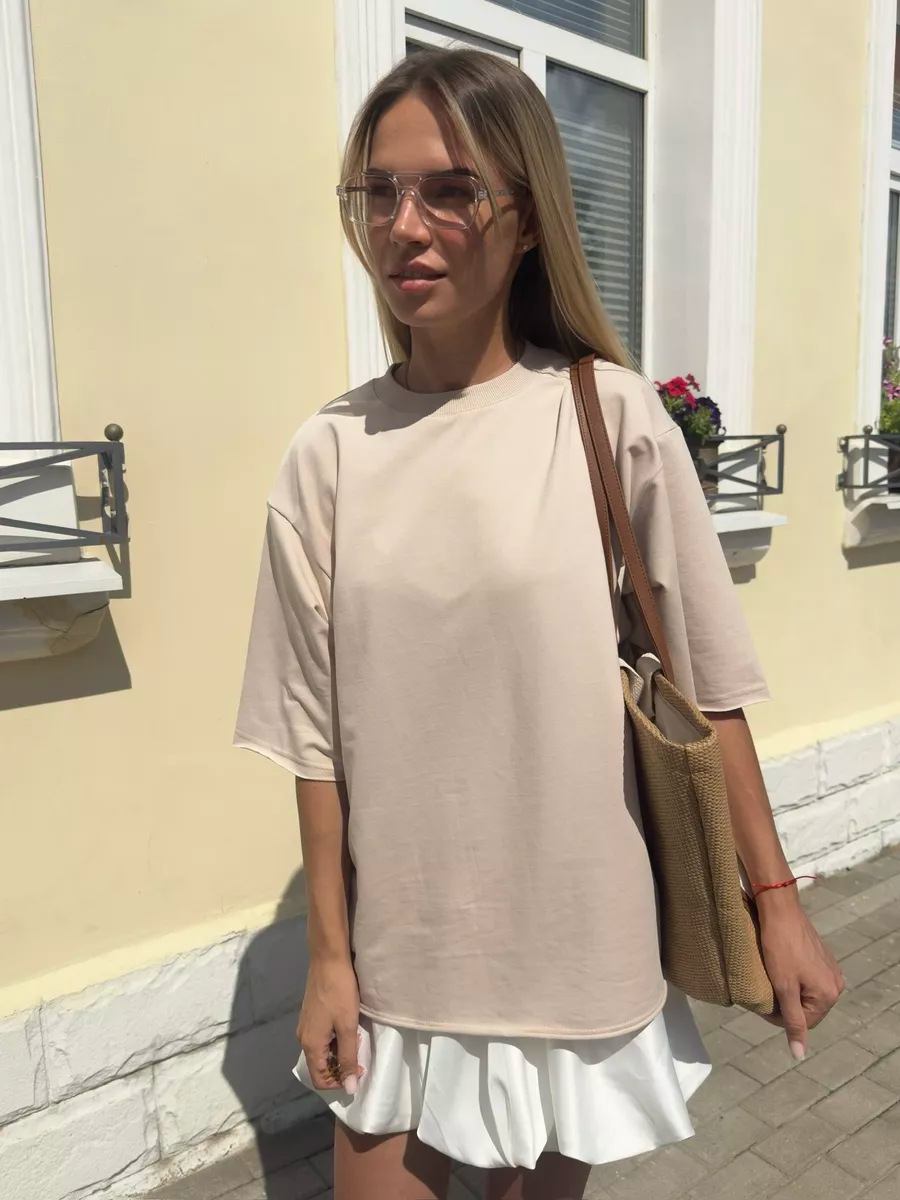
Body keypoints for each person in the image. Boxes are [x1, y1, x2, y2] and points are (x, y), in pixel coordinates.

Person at [233, 47, 844, 1200]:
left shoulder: (611, 418)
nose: (405, 225)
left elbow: (707, 687)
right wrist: (327, 959)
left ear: (524, 218)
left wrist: (778, 907)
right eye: (380, 192)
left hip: (571, 942)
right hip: (402, 953)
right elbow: (314, 739)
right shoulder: (330, 454)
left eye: (449, 190)